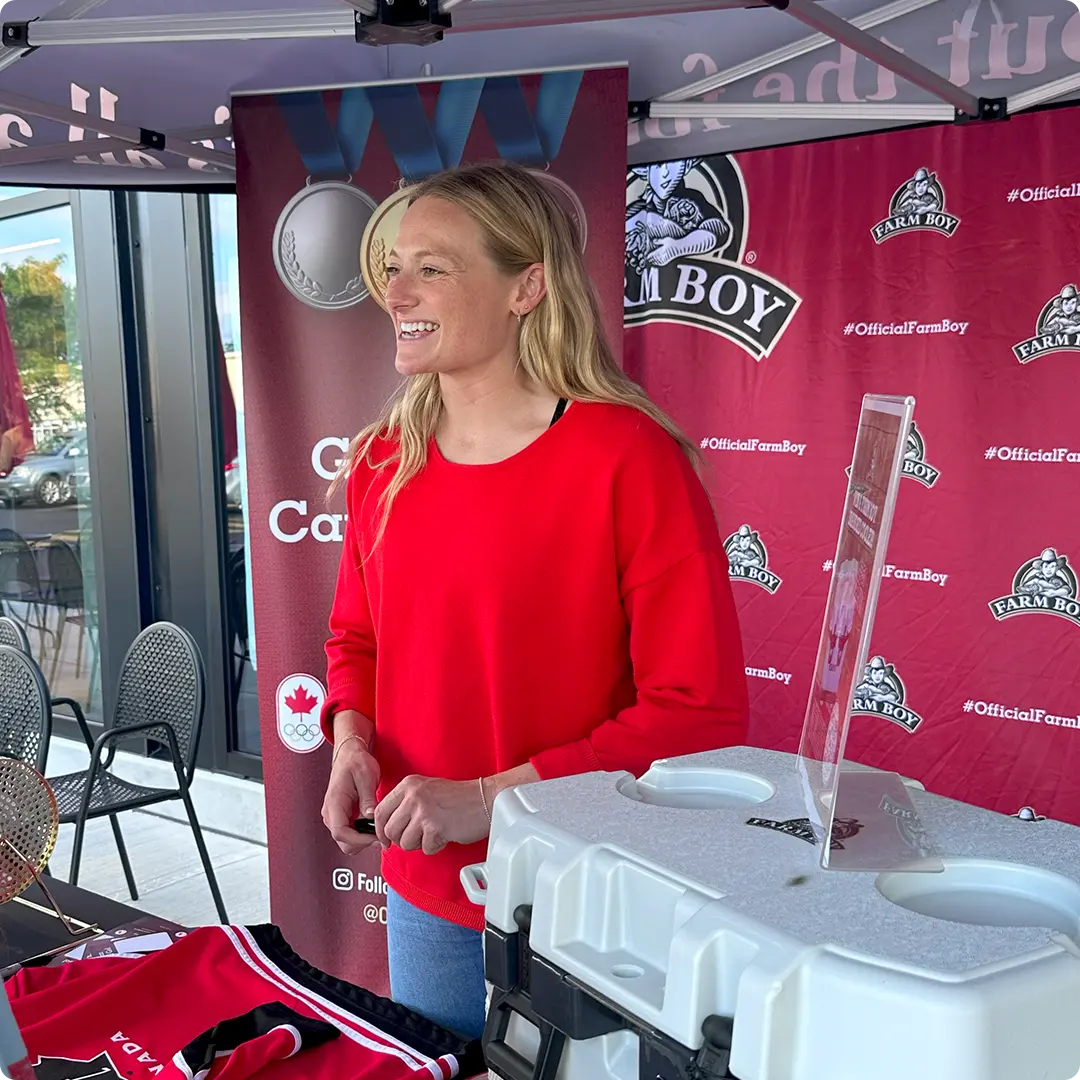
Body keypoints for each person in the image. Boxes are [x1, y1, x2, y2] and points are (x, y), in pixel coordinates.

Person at [319, 161, 749, 1041]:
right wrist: (350, 739)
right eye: (393, 267)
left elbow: (697, 711)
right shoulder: (380, 462)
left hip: (588, 899)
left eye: (431, 267)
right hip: (426, 889)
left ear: (528, 285)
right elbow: (354, 637)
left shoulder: (628, 458)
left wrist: (493, 798)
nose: (396, 291)